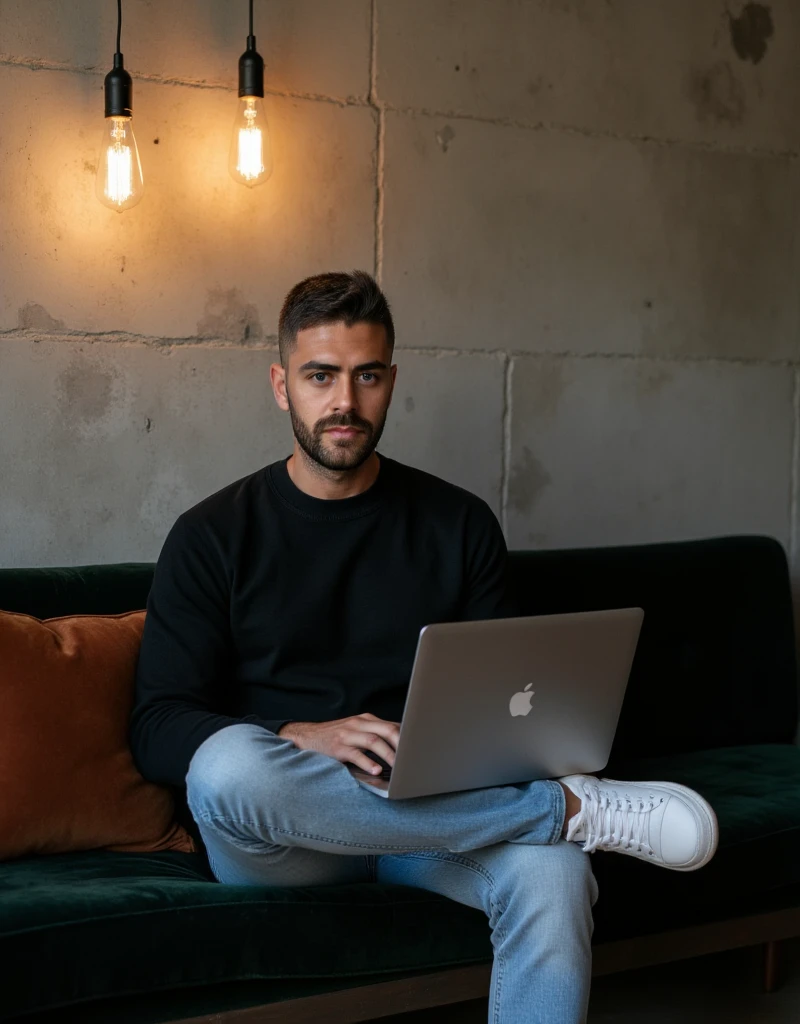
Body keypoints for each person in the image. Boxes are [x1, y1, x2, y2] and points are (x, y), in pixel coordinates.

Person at [130, 270, 718, 1024]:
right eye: (320, 376)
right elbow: (155, 728)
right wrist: (298, 736)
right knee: (225, 770)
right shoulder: (211, 536)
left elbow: (512, 708)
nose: (344, 401)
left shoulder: (459, 523)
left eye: (366, 375)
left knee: (555, 879)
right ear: (282, 385)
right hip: (283, 841)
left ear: (391, 381)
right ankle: (565, 811)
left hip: (434, 816)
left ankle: (552, 822)